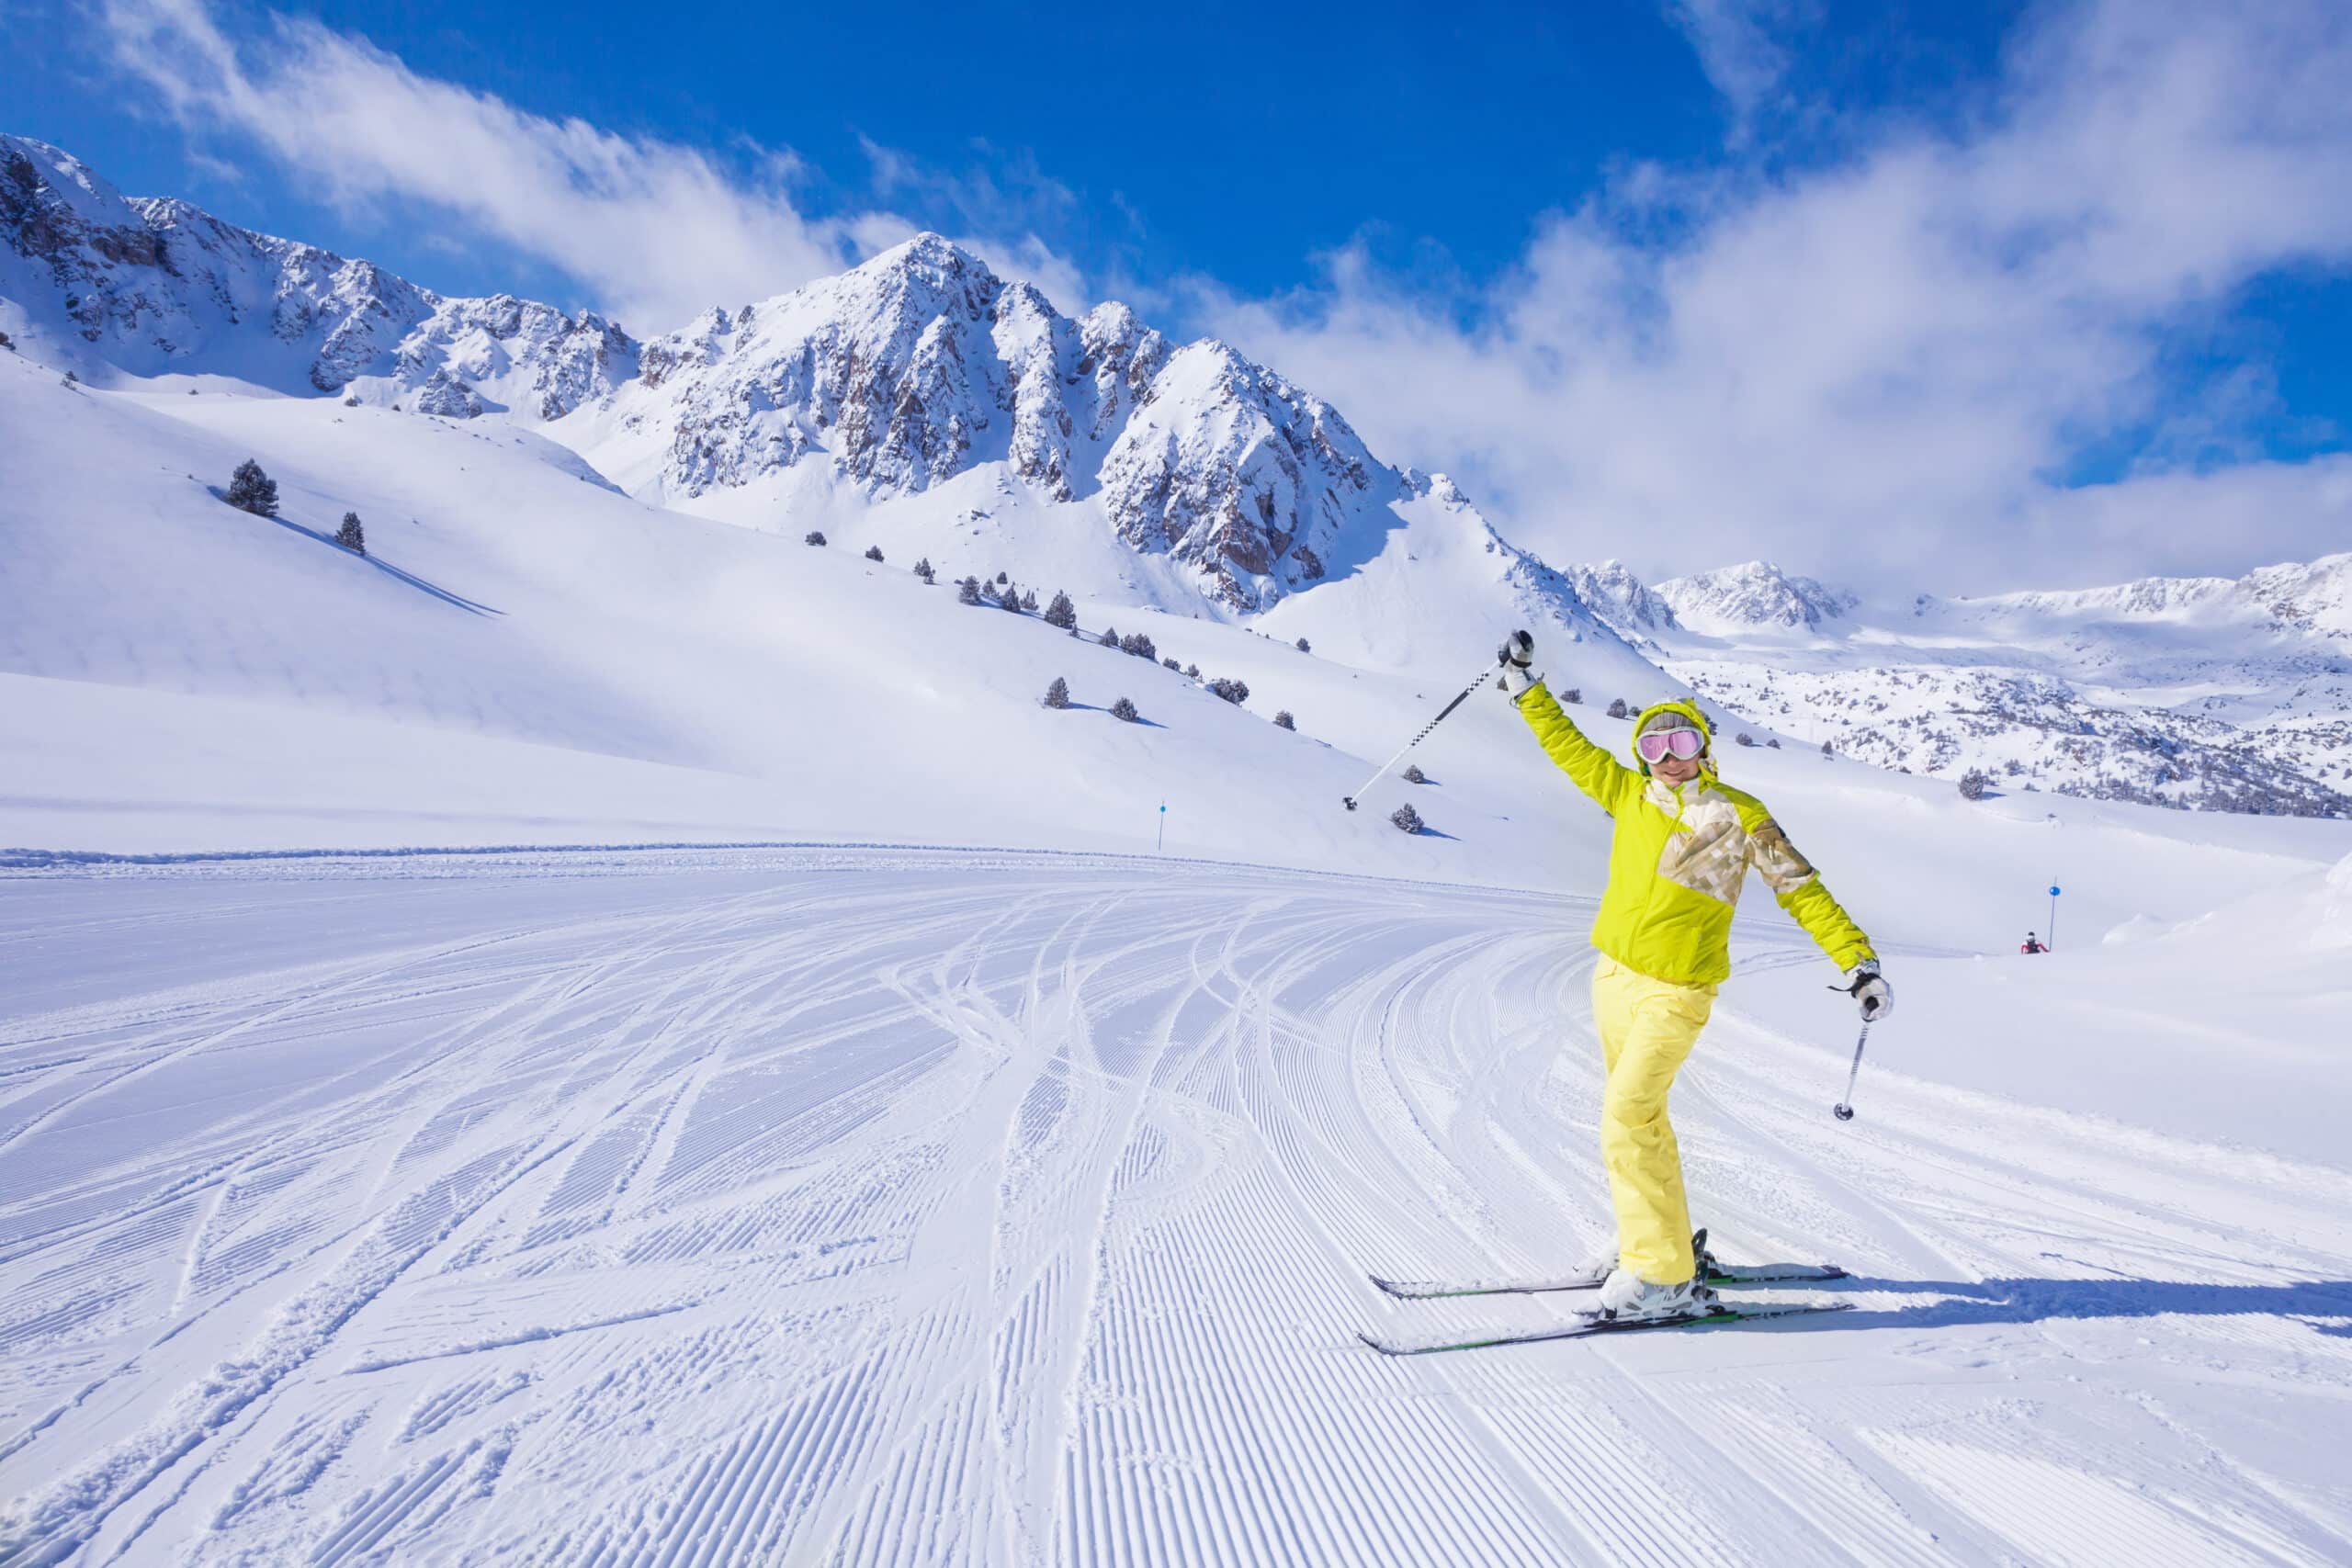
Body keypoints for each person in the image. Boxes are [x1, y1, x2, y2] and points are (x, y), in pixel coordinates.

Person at [1496, 632, 1890, 1322]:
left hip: (1677, 992)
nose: (1669, 759)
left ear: (1705, 749)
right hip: (1613, 978)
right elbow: (1566, 746)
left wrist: (1856, 959)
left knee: (1626, 1114)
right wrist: (1527, 688)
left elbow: (1801, 888)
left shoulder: (1738, 816)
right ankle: (1660, 1243)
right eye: (1654, 745)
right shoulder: (1626, 794)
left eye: (1682, 745)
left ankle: (1662, 1274)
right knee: (1642, 1119)